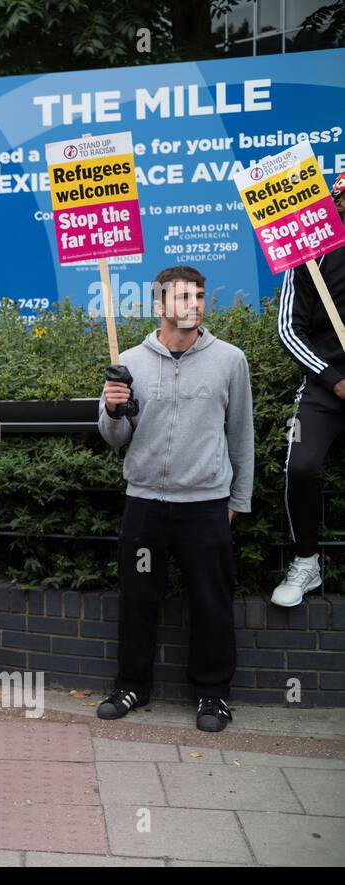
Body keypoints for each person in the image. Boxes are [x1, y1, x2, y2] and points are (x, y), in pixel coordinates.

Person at [97, 266, 253, 733]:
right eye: (183, 296)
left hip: (206, 504)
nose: (194, 305)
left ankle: (213, 695)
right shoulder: (128, 360)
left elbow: (241, 435)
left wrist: (237, 501)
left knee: (211, 601)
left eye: (200, 296)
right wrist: (111, 408)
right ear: (159, 305)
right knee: (138, 599)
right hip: (145, 503)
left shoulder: (230, 360)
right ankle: (132, 685)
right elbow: (112, 438)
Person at [271, 173, 345, 607]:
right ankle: (305, 562)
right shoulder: (308, 255)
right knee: (301, 466)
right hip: (325, 386)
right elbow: (287, 328)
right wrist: (333, 380)